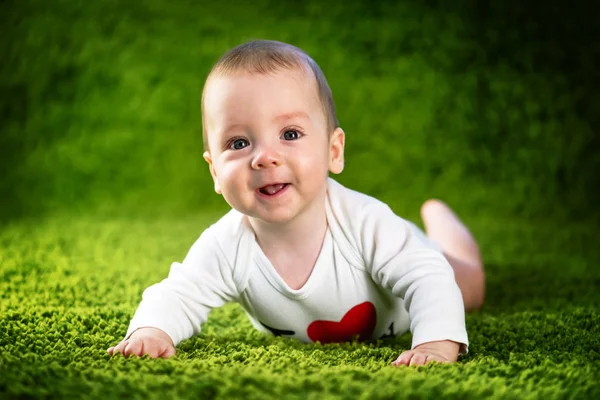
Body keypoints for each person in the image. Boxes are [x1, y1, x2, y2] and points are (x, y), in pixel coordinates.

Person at [107, 39, 485, 366]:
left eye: (290, 133)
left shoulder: (364, 222)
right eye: (239, 143)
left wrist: (434, 343)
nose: (264, 157)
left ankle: (441, 222)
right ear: (215, 174)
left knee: (466, 285)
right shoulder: (227, 245)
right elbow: (179, 292)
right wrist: (152, 331)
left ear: (333, 151)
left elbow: (427, 276)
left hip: (417, 255)